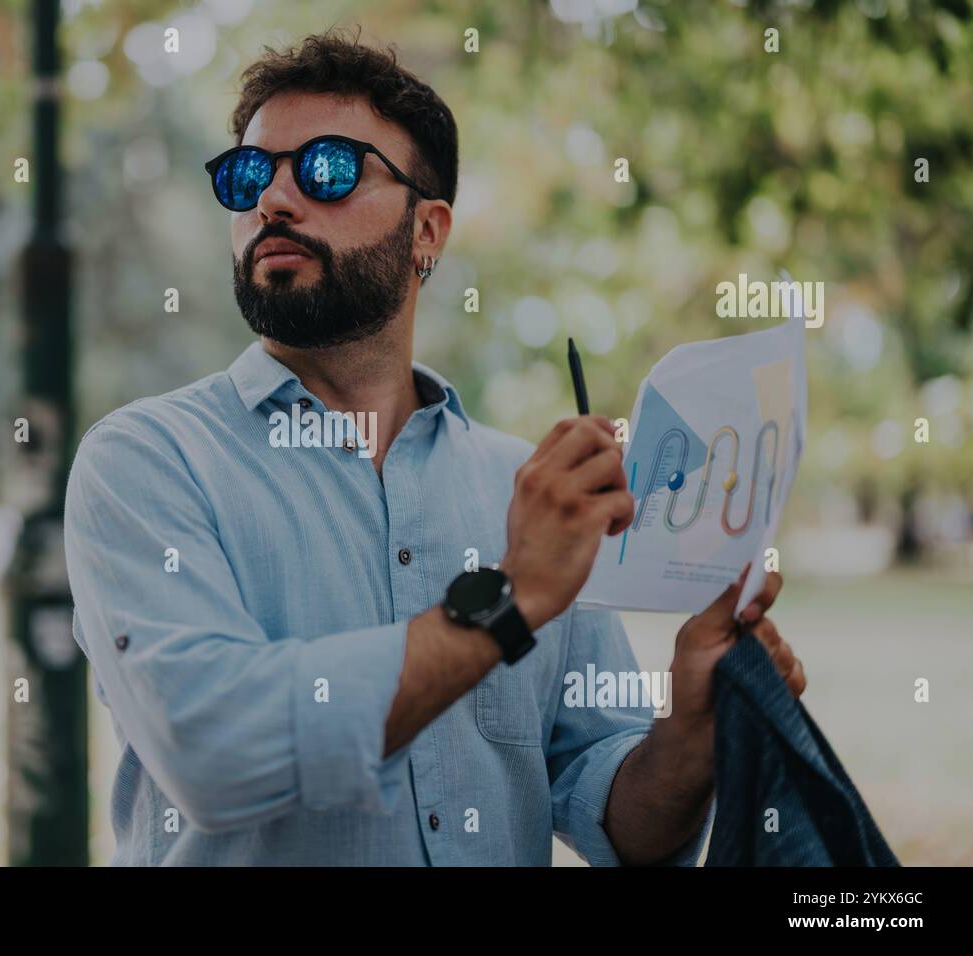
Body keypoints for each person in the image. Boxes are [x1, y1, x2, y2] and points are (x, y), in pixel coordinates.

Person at [64, 29, 807, 866]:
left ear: (429, 230)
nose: (273, 199)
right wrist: (507, 600)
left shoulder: (522, 490)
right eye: (248, 175)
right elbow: (215, 752)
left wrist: (689, 736)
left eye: (328, 168)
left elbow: (622, 821)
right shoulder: (144, 463)